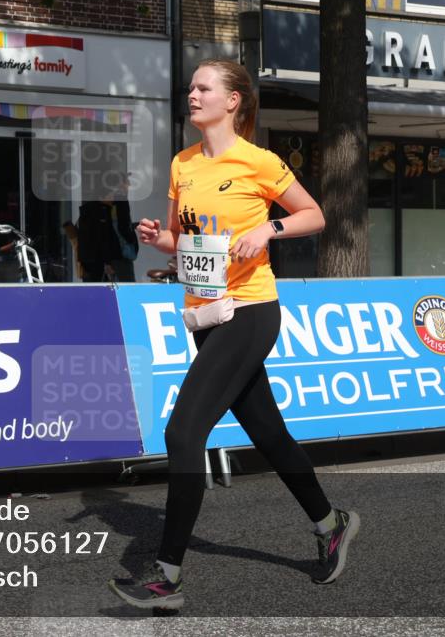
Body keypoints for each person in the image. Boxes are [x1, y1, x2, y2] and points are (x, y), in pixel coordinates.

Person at [108, 59, 359, 610]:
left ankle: (166, 578)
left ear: (232, 101)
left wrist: (267, 229)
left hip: (250, 311)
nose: (192, 94)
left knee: (183, 433)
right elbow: (181, 240)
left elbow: (313, 215)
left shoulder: (258, 161)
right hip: (206, 314)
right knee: (268, 433)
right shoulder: (183, 163)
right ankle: (330, 523)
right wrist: (157, 237)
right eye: (191, 87)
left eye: (204, 87)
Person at [76, 173, 138, 282]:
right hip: (114, 257)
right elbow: (119, 230)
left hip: (95, 261)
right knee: (124, 287)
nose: (128, 185)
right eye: (125, 182)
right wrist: (108, 262)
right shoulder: (112, 206)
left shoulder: (90, 210)